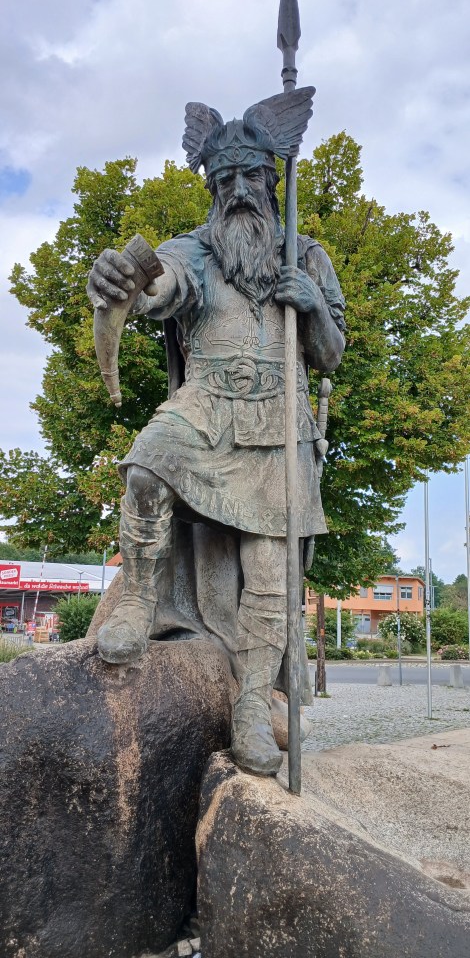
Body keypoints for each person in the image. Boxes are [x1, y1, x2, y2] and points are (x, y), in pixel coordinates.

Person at [87, 92, 345, 775]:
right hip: (206, 406)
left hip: (281, 422)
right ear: (212, 188)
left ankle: (253, 703)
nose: (237, 190)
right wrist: (124, 281)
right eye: (223, 179)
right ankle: (139, 599)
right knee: (146, 468)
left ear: (271, 179)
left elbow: (330, 355)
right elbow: (160, 286)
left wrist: (313, 308)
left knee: (269, 574)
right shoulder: (196, 250)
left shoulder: (307, 254)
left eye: (250, 176)